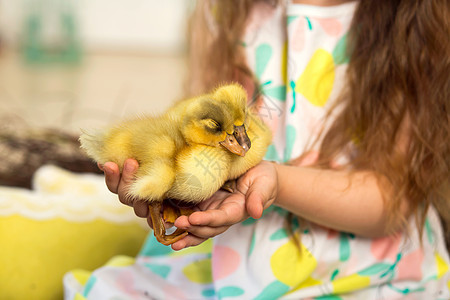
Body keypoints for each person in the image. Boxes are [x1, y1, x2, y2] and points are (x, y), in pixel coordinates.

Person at [64, 0, 450, 299]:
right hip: (231, 254)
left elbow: (390, 200)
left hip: (362, 269)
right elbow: (192, 132)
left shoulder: (411, 27)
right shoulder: (227, 11)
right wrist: (182, 194)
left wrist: (278, 181)